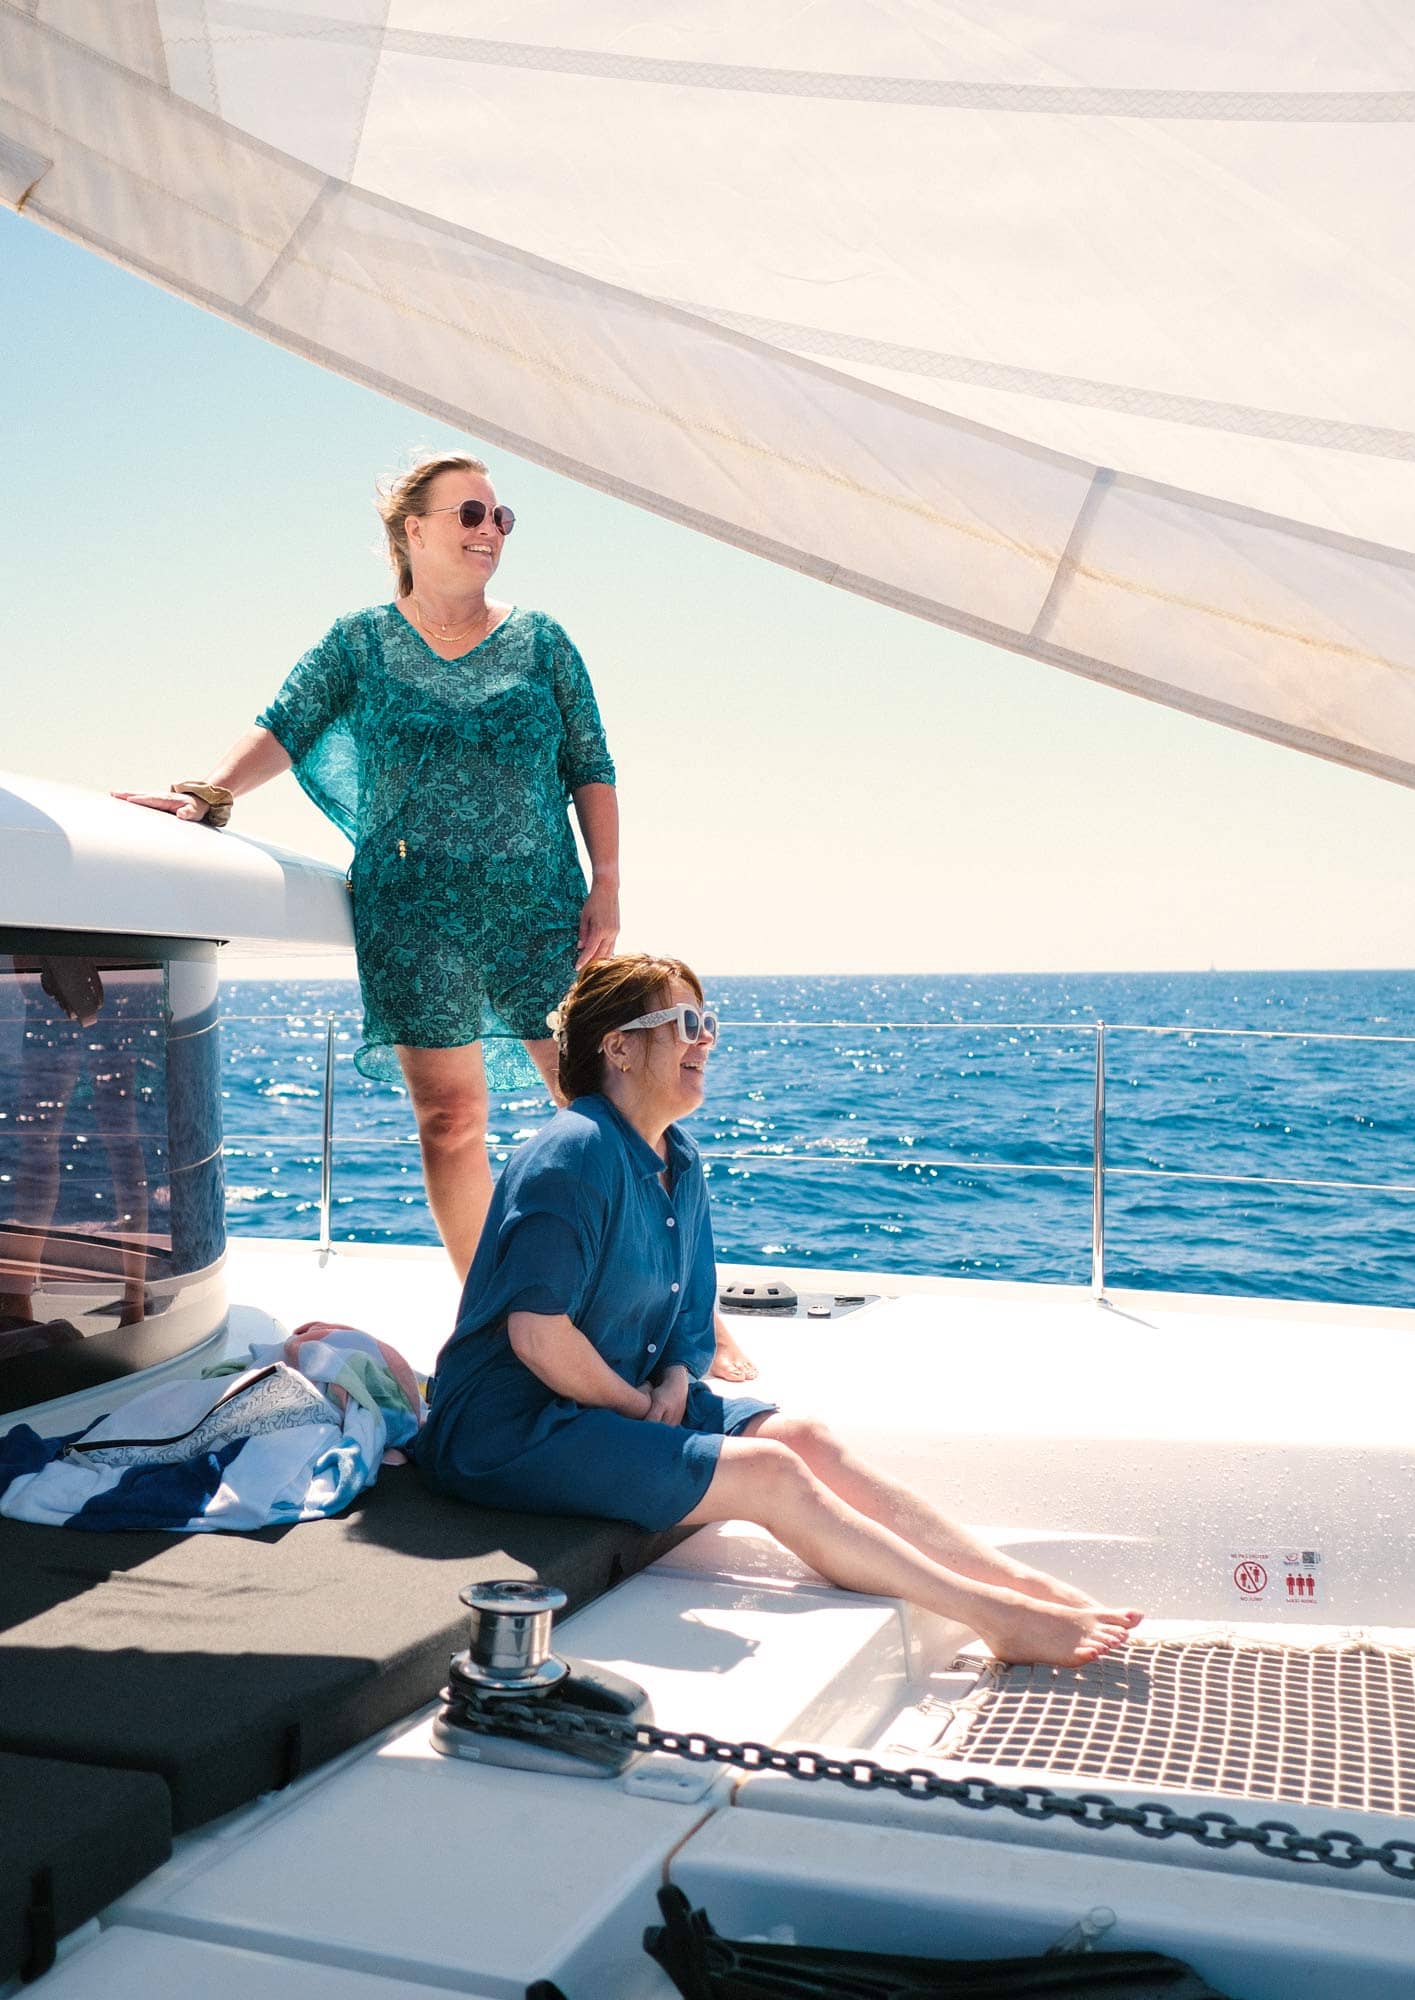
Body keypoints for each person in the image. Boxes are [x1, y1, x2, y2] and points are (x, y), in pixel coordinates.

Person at [114, 454, 757, 1381]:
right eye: (469, 512)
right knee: (451, 1124)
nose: (490, 528)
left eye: (502, 515)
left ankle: (685, 1311)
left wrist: (606, 881)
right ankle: (498, 1319)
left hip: (539, 910)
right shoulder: (360, 643)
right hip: (413, 916)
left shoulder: (542, 641)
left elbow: (591, 764)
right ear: (410, 530)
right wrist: (212, 792)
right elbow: (285, 723)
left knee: (609, 1108)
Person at [415, 954, 1142, 1667]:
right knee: (770, 1472)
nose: (707, 1039)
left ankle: (1021, 1583)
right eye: (687, 1021)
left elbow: (685, 1322)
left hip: (612, 1403)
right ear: (620, 1048)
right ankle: (999, 1618)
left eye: (711, 1022)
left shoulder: (679, 1161)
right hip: (508, 1430)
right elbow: (537, 1337)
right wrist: (640, 1407)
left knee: (807, 1439)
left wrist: (671, 1379)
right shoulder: (573, 1151)